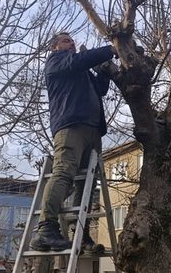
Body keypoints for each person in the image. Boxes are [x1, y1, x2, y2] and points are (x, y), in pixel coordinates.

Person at [29, 32, 116, 252]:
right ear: (54, 47)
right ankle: (46, 229)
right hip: (71, 126)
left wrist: (104, 72)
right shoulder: (57, 62)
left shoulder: (81, 71)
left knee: (85, 183)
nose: (72, 44)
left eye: (73, 42)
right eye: (66, 41)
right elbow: (80, 60)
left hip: (93, 129)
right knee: (64, 171)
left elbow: (101, 89)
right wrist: (111, 49)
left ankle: (82, 235)